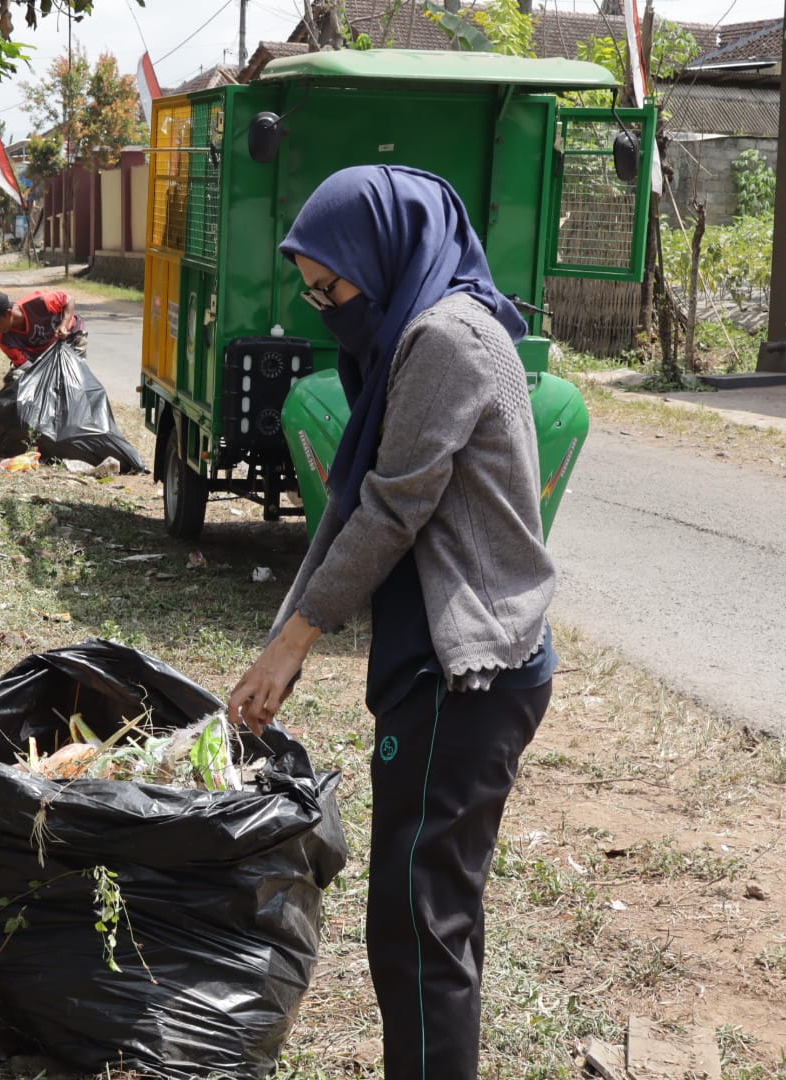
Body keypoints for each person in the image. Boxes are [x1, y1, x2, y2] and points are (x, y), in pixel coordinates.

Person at [226, 165, 556, 1080]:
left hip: (469, 676)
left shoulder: (446, 338)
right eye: (312, 291)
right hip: (453, 670)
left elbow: (391, 511)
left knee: (416, 926)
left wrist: (298, 639)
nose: (326, 308)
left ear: (387, 252)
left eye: (333, 288)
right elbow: (349, 506)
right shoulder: (413, 333)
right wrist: (281, 640)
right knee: (432, 914)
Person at [0, 288, 87, 368]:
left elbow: (69, 299)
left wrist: (63, 324)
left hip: (71, 336)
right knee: (15, 380)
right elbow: (27, 367)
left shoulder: (40, 301)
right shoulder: (5, 341)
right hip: (41, 354)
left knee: (75, 373)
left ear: (8, 313)